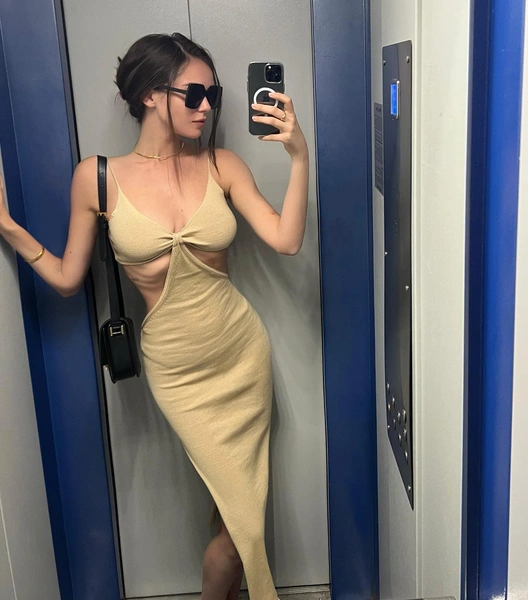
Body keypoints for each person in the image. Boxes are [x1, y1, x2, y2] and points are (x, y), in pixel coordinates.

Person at [0, 32, 308, 600]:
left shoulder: (221, 164)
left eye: (212, 94)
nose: (206, 106)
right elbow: (68, 278)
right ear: (149, 94)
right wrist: (9, 228)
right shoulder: (97, 177)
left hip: (243, 356)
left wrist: (298, 156)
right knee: (240, 523)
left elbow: (287, 240)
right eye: (193, 93)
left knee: (238, 519)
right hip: (179, 373)